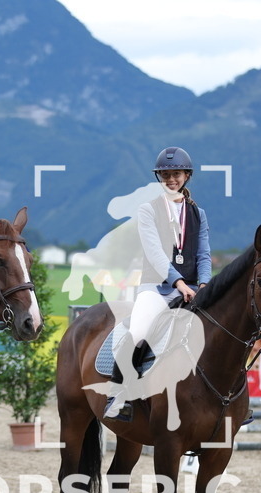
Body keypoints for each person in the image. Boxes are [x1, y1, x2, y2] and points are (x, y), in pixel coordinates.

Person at [103, 146, 212, 421]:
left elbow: (203, 254)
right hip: (156, 289)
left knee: (221, 333)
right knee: (138, 331)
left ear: (187, 175)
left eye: (176, 174)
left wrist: (204, 285)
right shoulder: (148, 210)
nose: (171, 179)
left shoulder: (198, 214)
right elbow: (155, 253)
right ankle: (119, 395)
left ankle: (230, 402)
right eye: (165, 174)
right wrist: (179, 283)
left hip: (193, 290)